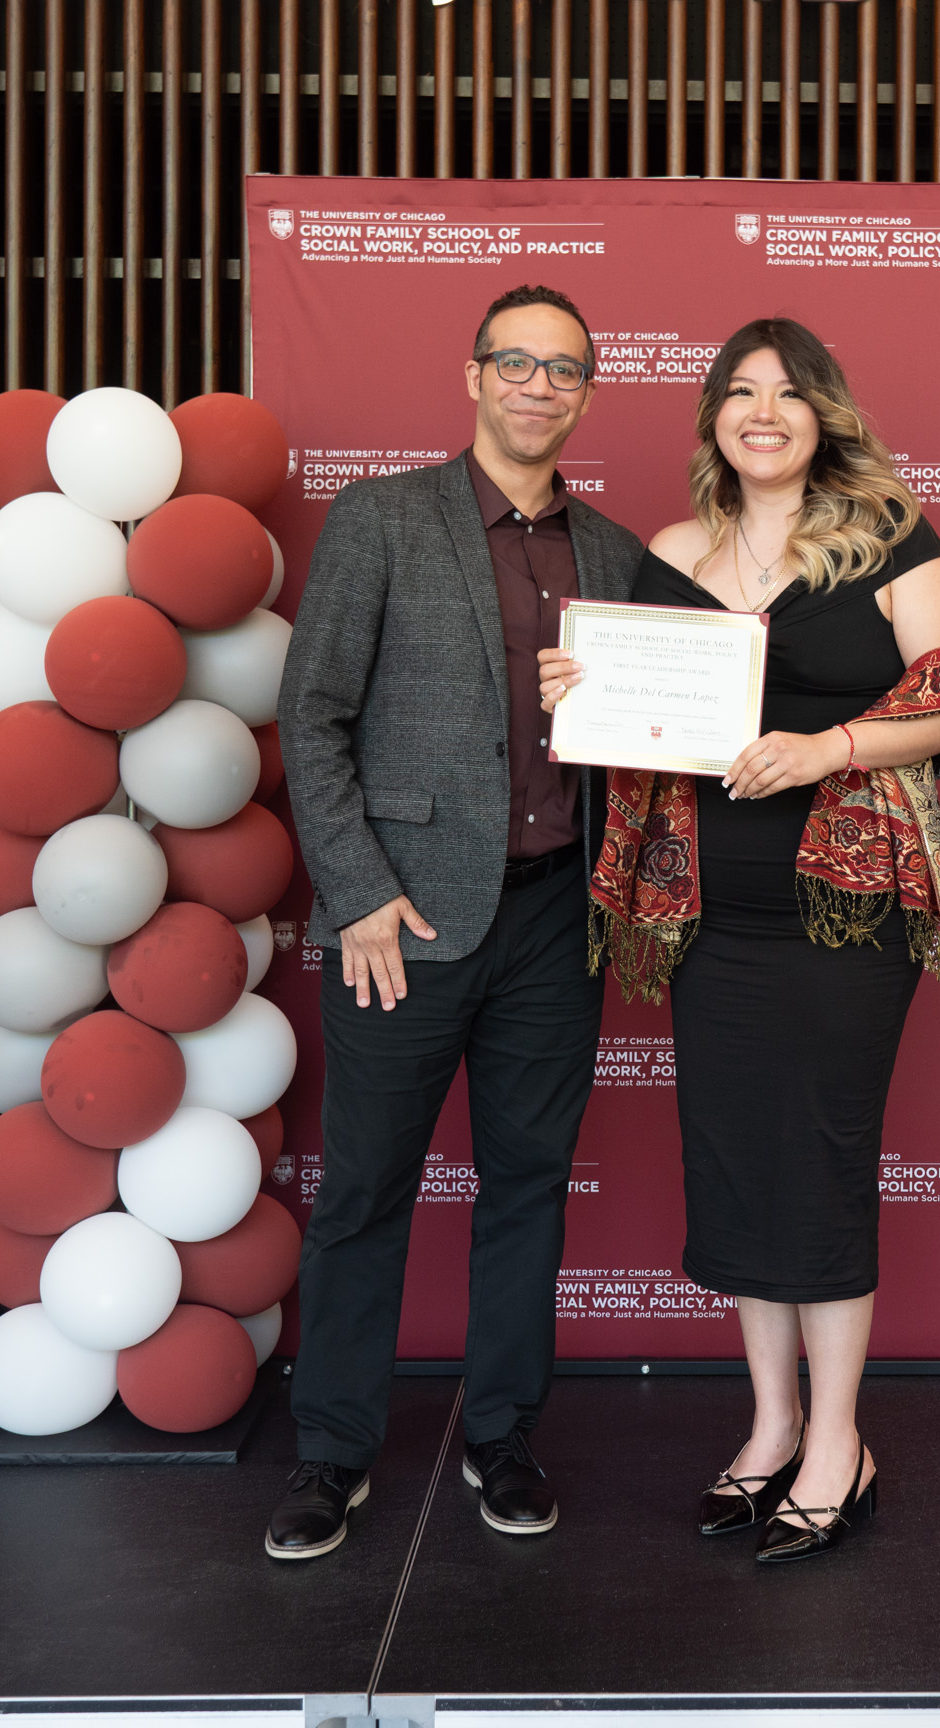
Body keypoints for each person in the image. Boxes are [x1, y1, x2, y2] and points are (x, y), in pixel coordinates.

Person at [538, 317, 940, 1563]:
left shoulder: (892, 537)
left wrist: (829, 745)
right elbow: (636, 730)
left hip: (850, 905)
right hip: (711, 915)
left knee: (822, 1152)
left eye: (788, 394)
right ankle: (770, 1421)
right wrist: (580, 698)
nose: (763, 411)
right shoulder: (672, 551)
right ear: (714, 421)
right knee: (737, 1151)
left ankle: (840, 1441)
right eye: (740, 392)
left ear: (824, 415)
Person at [268, 282, 642, 1561]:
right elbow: (308, 715)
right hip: (404, 919)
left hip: (554, 917)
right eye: (518, 362)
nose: (542, 385)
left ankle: (504, 1434)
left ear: (588, 393)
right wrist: (359, 889)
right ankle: (332, 1454)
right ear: (474, 375)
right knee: (365, 1190)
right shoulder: (379, 518)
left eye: (567, 369)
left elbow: (646, 735)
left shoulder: (612, 551)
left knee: (527, 1187)